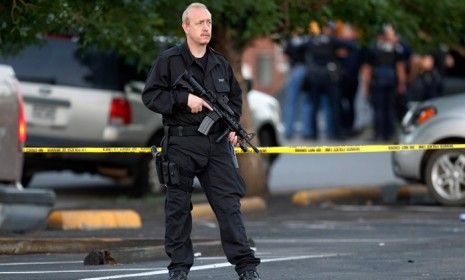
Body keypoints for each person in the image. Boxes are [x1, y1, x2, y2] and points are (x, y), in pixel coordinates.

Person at [141, 3, 261, 280]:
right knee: (178, 209)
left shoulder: (219, 63)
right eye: (200, 23)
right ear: (185, 27)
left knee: (229, 206)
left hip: (217, 145)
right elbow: (151, 96)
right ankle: (179, 269)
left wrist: (234, 128)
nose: (206, 27)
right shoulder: (169, 61)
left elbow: (234, 99)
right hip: (182, 144)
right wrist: (184, 99)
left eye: (209, 22)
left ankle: (246, 266)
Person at [360, 24, 407, 142]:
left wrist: (365, 87)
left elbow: (367, 70)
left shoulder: (372, 48)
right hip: (391, 83)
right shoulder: (395, 48)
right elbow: (400, 68)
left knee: (378, 109)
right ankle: (389, 134)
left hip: (377, 83)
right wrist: (402, 83)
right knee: (390, 108)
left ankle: (378, 134)